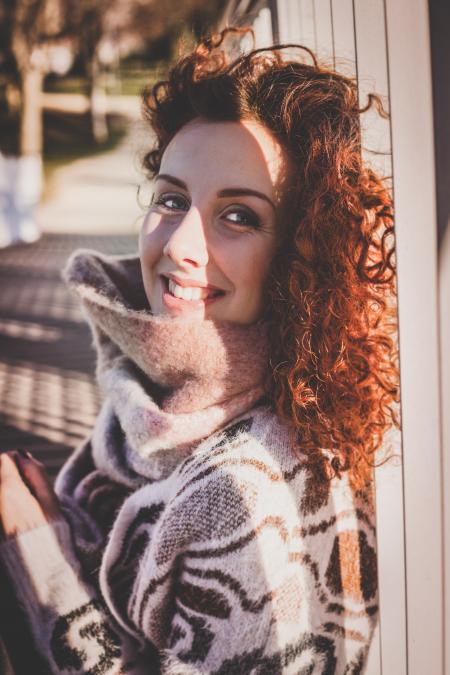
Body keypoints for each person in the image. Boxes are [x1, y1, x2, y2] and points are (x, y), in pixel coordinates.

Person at [0, 27, 398, 674]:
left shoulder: (243, 495)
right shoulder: (160, 394)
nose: (182, 244)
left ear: (296, 252)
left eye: (238, 215)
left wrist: (39, 558)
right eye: (171, 198)